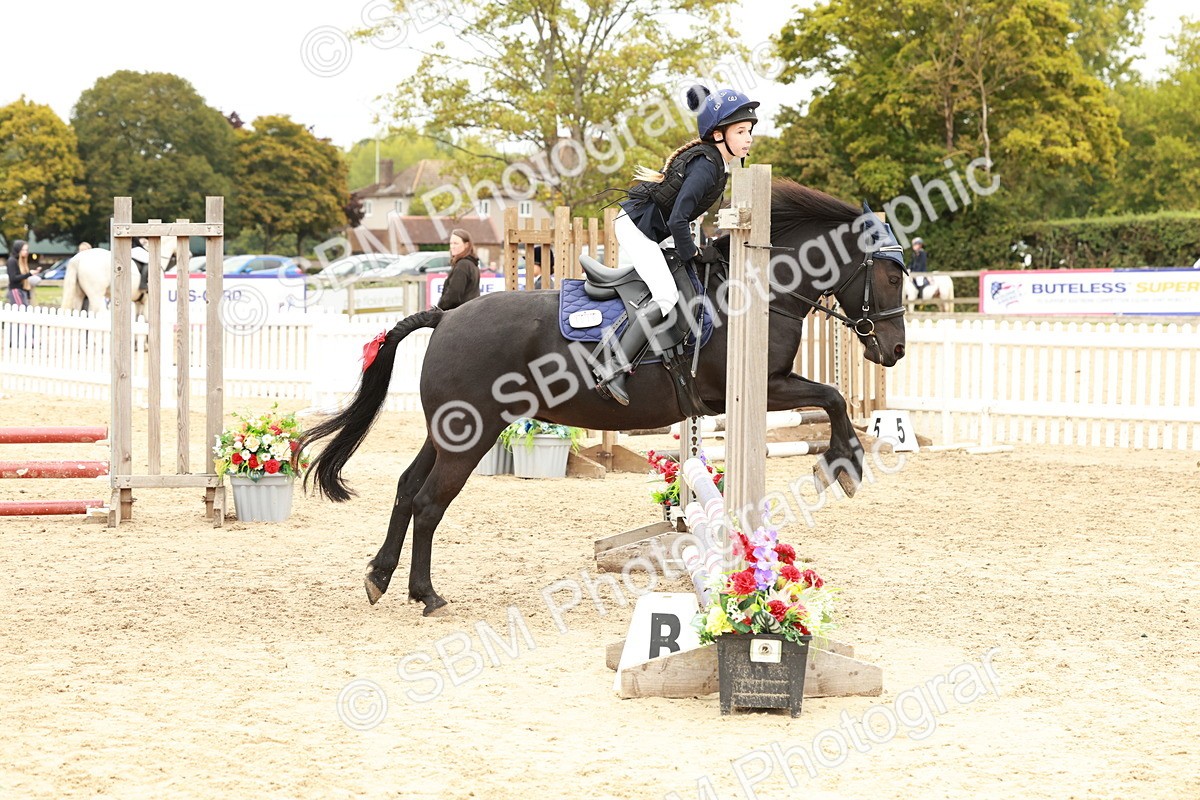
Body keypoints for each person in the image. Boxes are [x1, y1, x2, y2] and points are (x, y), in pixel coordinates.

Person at [596, 85, 759, 405]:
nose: (748, 137)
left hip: (653, 229)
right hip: (637, 230)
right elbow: (678, 219)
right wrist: (694, 252)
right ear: (717, 135)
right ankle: (612, 367)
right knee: (668, 297)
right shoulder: (707, 165)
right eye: (741, 131)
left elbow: (687, 219)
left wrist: (700, 247)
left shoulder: (717, 164)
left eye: (749, 130)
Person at [437, 228, 481, 311]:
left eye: (456, 243)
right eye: (451, 243)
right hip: (471, 313)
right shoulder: (472, 264)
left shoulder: (463, 265)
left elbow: (453, 295)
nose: (452, 246)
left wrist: (439, 309)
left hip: (460, 315)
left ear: (466, 245)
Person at [6, 240, 32, 306]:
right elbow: (13, 278)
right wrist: (29, 274)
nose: (25, 252)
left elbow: (25, 281)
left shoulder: (22, 261)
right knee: (20, 311)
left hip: (23, 290)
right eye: (23, 250)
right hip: (16, 290)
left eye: (26, 250)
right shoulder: (12, 261)